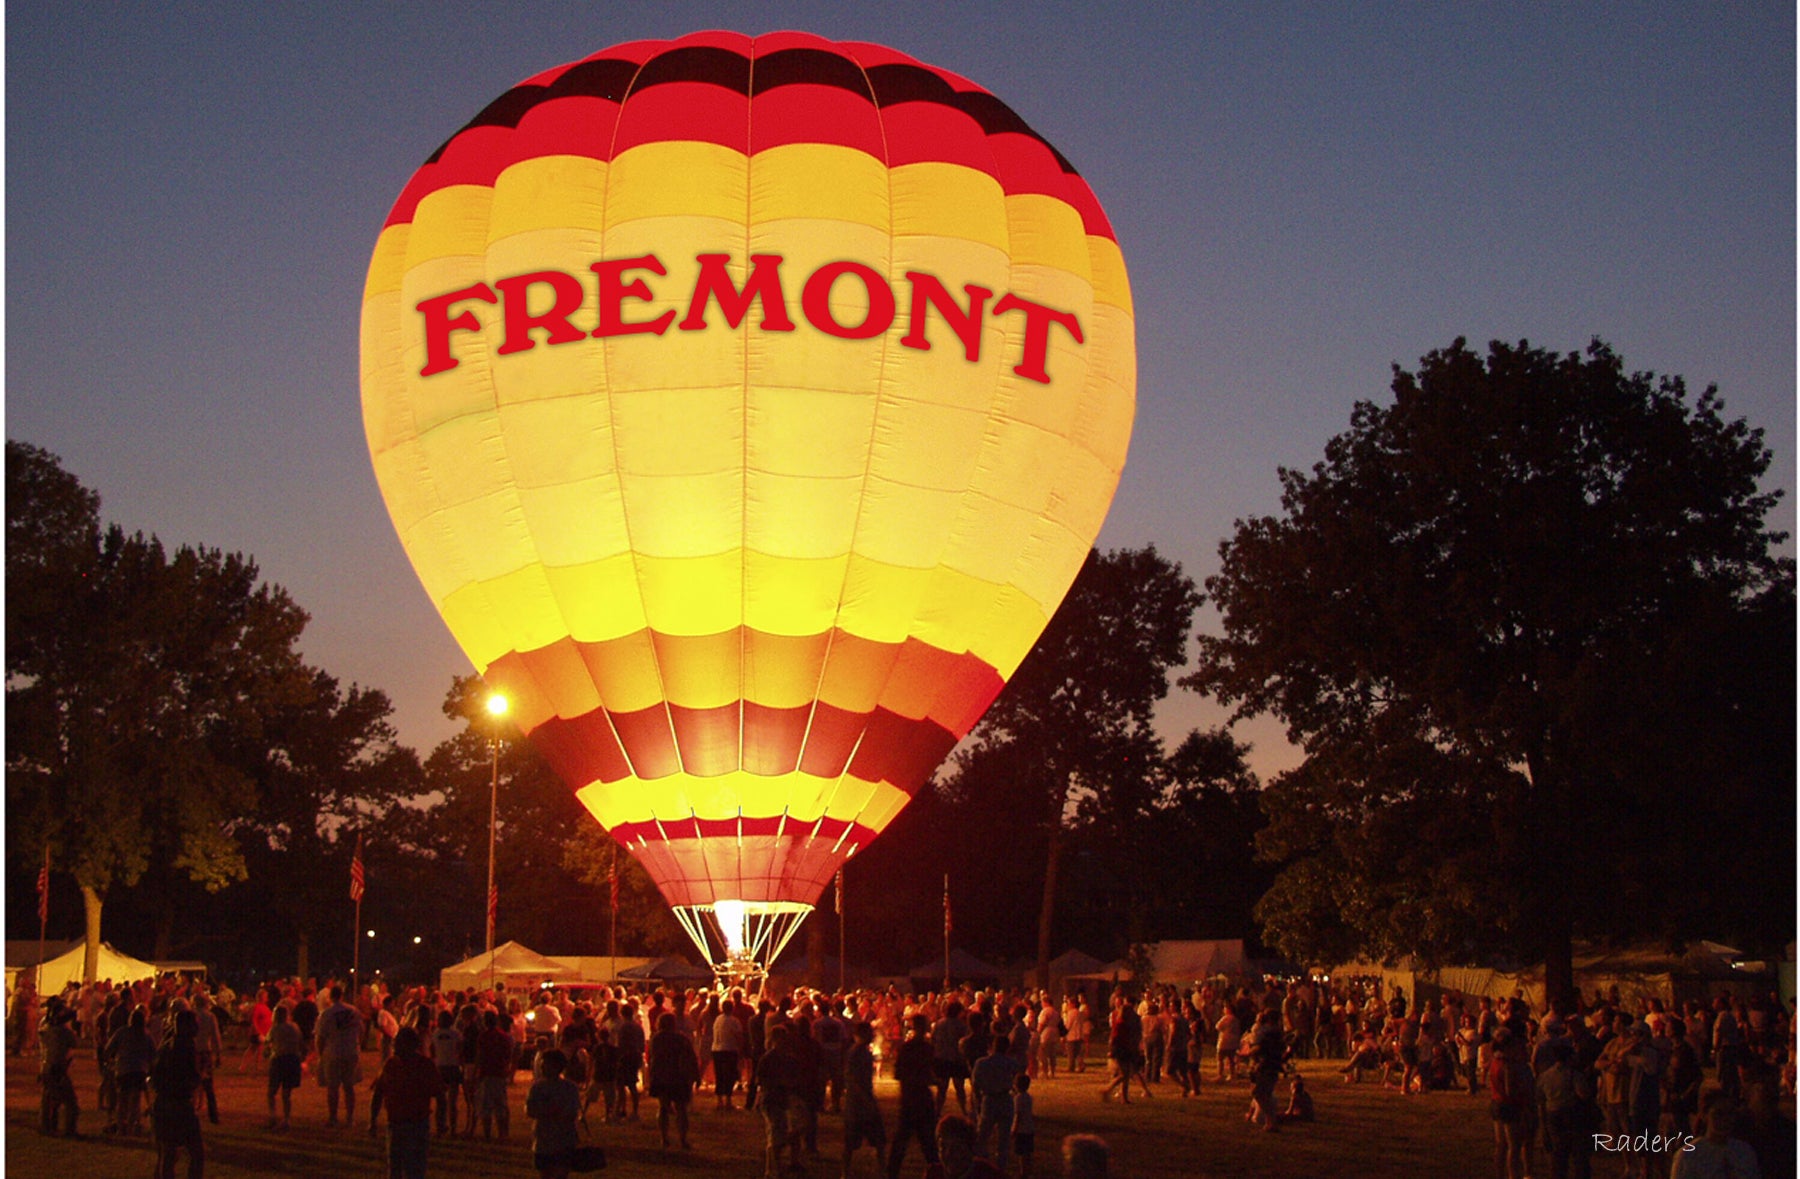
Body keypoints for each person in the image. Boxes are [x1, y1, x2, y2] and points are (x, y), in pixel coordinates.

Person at [368, 1025, 443, 1179]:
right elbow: (378, 1093)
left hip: (416, 1124)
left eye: (398, 1043)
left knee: (413, 1169)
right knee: (396, 1168)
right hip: (397, 1124)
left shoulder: (423, 1065)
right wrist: (373, 1120)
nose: (394, 1047)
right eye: (395, 1043)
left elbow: (440, 1095)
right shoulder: (392, 1064)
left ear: (411, 1045)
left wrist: (441, 1122)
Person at [149, 1009, 205, 1179]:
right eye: (194, 1023)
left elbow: (154, 1076)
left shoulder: (166, 1045)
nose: (197, 1026)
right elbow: (190, 1077)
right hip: (179, 1105)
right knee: (196, 1153)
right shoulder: (185, 1047)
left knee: (168, 1153)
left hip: (163, 1104)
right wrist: (200, 1076)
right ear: (185, 1026)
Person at [888, 1014, 940, 1179]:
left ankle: (892, 1173)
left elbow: (898, 1073)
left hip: (909, 1098)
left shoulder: (907, 1048)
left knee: (901, 1141)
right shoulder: (927, 1048)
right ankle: (937, 1171)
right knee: (929, 1142)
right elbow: (930, 1074)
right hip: (922, 1098)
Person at [1669, 1091, 1762, 1179]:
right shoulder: (1688, 1155)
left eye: (1730, 1114)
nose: (1725, 1120)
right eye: (1718, 1114)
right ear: (1705, 1115)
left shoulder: (1744, 1152)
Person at [526, 1047, 582, 1179]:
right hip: (544, 1139)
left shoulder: (568, 1088)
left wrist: (548, 1112)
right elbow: (530, 1110)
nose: (542, 1067)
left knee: (559, 1172)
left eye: (546, 1064)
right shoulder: (537, 1087)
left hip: (562, 1140)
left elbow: (571, 1113)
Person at [316, 985, 366, 1127]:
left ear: (331, 997)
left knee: (333, 1087)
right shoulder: (353, 1011)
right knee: (349, 1087)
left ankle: (333, 1117)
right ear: (342, 996)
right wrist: (357, 1045)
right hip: (350, 1052)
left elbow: (320, 1037)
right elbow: (361, 1031)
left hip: (333, 1052)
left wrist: (321, 1054)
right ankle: (350, 1118)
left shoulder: (327, 1014)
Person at [648, 1010, 698, 1150]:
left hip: (662, 1077)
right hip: (678, 1077)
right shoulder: (681, 1038)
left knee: (663, 1108)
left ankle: (664, 1138)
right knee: (681, 1109)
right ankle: (682, 1139)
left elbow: (652, 1058)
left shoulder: (656, 1039)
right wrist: (694, 1075)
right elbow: (690, 1057)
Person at [841, 1020, 885, 1179]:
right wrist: (865, 1099)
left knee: (877, 1139)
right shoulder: (856, 1053)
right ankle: (845, 1172)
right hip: (858, 1102)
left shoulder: (863, 1052)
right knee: (854, 1140)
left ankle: (880, 1171)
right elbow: (852, 1079)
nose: (873, 1036)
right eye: (870, 1033)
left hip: (860, 1100)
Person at [970, 1032, 1021, 1170]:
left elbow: (975, 1084)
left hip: (989, 1098)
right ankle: (1000, 1167)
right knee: (1003, 1138)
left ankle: (981, 1162)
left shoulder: (982, 1063)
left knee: (982, 1134)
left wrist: (978, 1101)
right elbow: (1019, 1072)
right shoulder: (1011, 1063)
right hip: (1005, 1099)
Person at [107, 1005, 157, 1135]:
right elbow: (153, 1055)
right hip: (139, 1071)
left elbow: (109, 1048)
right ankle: (132, 1126)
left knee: (122, 1100)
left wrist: (112, 1059)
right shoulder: (147, 1036)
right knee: (135, 1101)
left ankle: (120, 1127)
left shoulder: (122, 1032)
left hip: (123, 1069)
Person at [39, 1002, 80, 1137]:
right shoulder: (63, 1032)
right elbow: (74, 1043)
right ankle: (69, 1130)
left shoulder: (46, 1029)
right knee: (71, 1103)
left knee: (49, 1100)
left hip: (46, 1068)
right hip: (57, 1069)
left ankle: (48, 1127)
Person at [475, 1008, 517, 1141]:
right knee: (500, 1104)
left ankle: (488, 1134)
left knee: (486, 1105)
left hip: (487, 1072)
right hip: (499, 1072)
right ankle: (503, 1133)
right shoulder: (503, 1036)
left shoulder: (483, 1036)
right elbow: (508, 1054)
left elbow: (480, 1055)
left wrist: (477, 1072)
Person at [927, 1113, 1005, 1179]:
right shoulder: (934, 1174)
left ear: (970, 1149)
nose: (948, 1154)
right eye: (942, 1147)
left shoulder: (988, 1174)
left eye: (956, 1147)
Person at [265, 1003, 304, 1129]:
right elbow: (300, 1042)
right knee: (286, 1093)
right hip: (292, 1059)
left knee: (272, 1091)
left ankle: (273, 1115)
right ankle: (286, 1118)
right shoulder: (294, 1027)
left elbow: (268, 1043)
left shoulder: (275, 1029)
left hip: (279, 1059)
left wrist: (267, 1052)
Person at [1011, 1072, 1036, 1179]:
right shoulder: (1029, 1097)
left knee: (1021, 1153)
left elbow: (1018, 1115)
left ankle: (1023, 1172)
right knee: (1028, 1152)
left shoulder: (1018, 1098)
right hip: (1029, 1128)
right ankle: (1028, 1171)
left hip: (1022, 1130)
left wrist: (1014, 1129)